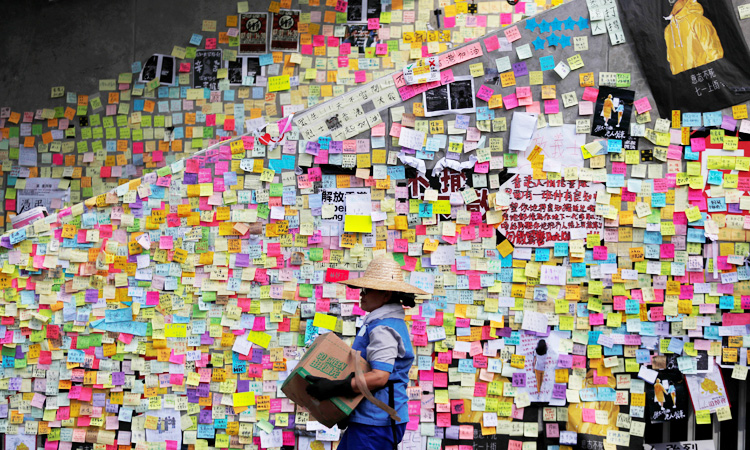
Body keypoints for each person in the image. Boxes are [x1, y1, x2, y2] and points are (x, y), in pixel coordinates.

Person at [304, 255, 428, 450]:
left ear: (386, 295)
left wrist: (335, 387)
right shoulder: (381, 323)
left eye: (367, 290)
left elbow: (379, 377)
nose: (361, 294)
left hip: (375, 421)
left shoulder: (383, 328)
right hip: (373, 419)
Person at [663, 0, 723, 75]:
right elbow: (671, 60)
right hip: (684, 82)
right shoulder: (668, 30)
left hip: (704, 79)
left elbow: (714, 53)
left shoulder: (698, 20)